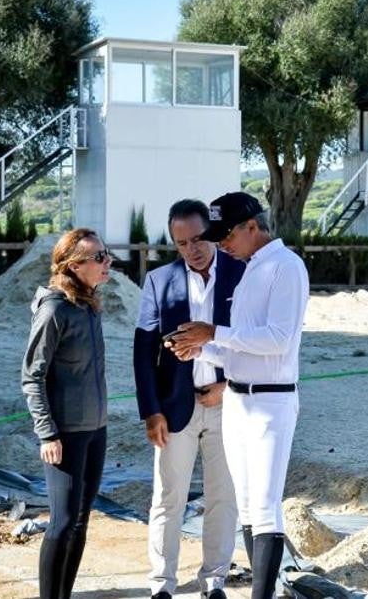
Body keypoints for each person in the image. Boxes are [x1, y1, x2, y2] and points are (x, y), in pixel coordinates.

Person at [168, 192, 309, 599]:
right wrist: (200, 347)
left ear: (253, 226)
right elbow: (240, 346)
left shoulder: (286, 266)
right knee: (247, 507)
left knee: (265, 506)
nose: (221, 244)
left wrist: (213, 333)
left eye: (225, 234)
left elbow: (279, 340)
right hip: (238, 399)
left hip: (270, 401)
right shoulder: (250, 268)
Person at [134, 199, 245, 599]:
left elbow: (255, 342)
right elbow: (143, 351)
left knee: (223, 498)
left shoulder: (242, 272)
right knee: (167, 498)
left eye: (198, 238)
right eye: (182, 243)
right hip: (175, 407)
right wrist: (151, 410)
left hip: (227, 405)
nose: (192, 249)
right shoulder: (158, 281)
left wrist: (229, 385)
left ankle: (214, 581)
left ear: (211, 234)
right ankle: (160, 586)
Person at [21, 229, 112, 599]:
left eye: (106, 254)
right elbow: (32, 376)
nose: (108, 262)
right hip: (65, 434)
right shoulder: (54, 309)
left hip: (96, 430)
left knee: (81, 521)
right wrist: (47, 433)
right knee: (61, 523)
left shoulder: (88, 304)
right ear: (75, 265)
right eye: (100, 257)